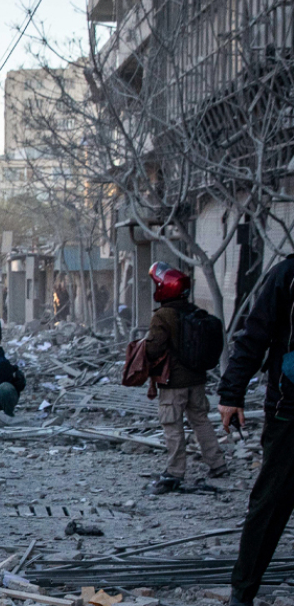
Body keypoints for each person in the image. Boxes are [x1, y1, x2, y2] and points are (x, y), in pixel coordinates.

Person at [220, 255, 294, 606]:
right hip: (289, 409)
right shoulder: (287, 275)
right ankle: (243, 590)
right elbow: (254, 337)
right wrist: (232, 393)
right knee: (271, 501)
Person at [144, 263, 226, 495]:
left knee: (172, 425)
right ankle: (218, 464)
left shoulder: (163, 315)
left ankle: (175, 471)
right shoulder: (192, 311)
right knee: (201, 421)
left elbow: (153, 349)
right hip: (197, 381)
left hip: (174, 383)